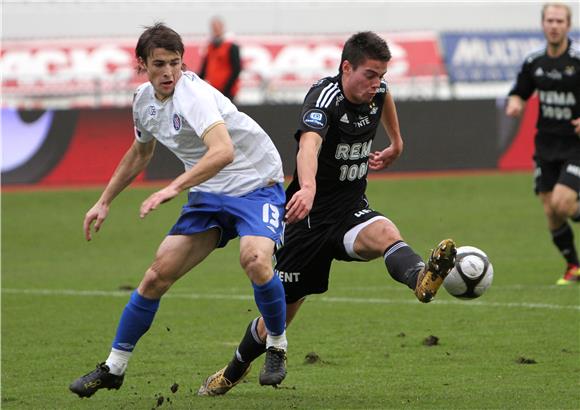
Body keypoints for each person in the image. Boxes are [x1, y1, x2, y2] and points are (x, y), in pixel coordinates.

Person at [197, 31, 457, 396]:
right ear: (346, 67)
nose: (376, 83)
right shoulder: (325, 97)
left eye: (382, 75)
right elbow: (309, 145)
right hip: (306, 219)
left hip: (350, 210)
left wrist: (396, 143)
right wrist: (307, 187)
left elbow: (386, 99)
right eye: (369, 74)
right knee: (278, 319)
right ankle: (235, 368)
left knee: (386, 234)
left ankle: (420, 279)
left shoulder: (377, 91)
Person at [69, 23, 288, 398]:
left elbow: (223, 151)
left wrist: (173, 187)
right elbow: (141, 152)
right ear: (142, 65)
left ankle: (277, 347)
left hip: (256, 186)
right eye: (159, 65)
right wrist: (104, 201)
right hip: (207, 193)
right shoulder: (143, 100)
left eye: (175, 63)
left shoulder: (194, 96)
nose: (169, 72)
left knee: (255, 260)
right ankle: (114, 368)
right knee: (156, 276)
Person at [506, 2, 580, 285]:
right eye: (549, 20)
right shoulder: (534, 61)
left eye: (559, 21)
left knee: (562, 203)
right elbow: (519, 92)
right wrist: (514, 104)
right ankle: (574, 266)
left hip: (575, 146)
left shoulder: (578, 59)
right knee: (551, 210)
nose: (554, 25)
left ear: (568, 26)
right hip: (546, 147)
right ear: (542, 24)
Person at [199, 16, 241, 101]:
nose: (216, 31)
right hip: (213, 91)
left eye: (217, 28)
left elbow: (236, 69)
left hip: (227, 92)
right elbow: (204, 70)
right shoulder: (210, 47)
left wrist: (226, 89)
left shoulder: (231, 47)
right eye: (214, 28)